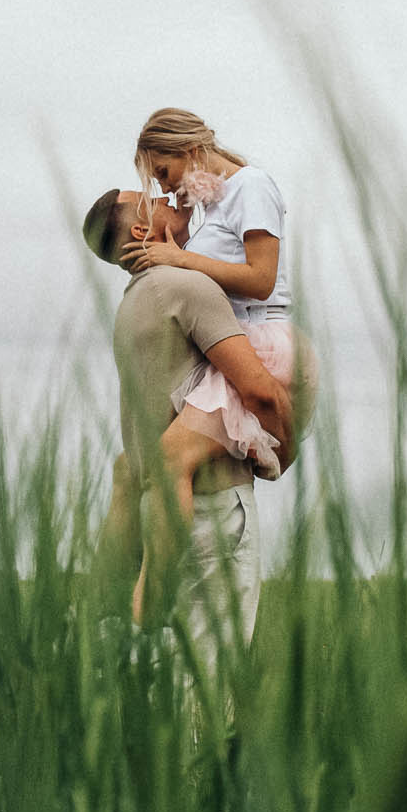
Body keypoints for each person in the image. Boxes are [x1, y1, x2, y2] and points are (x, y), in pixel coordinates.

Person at [121, 109, 298, 564]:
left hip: (257, 335)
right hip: (231, 341)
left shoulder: (252, 186)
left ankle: (153, 594)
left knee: (168, 458)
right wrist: (170, 217)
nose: (162, 185)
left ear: (189, 149)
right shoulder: (211, 207)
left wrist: (180, 260)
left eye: (163, 172)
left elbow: (260, 279)